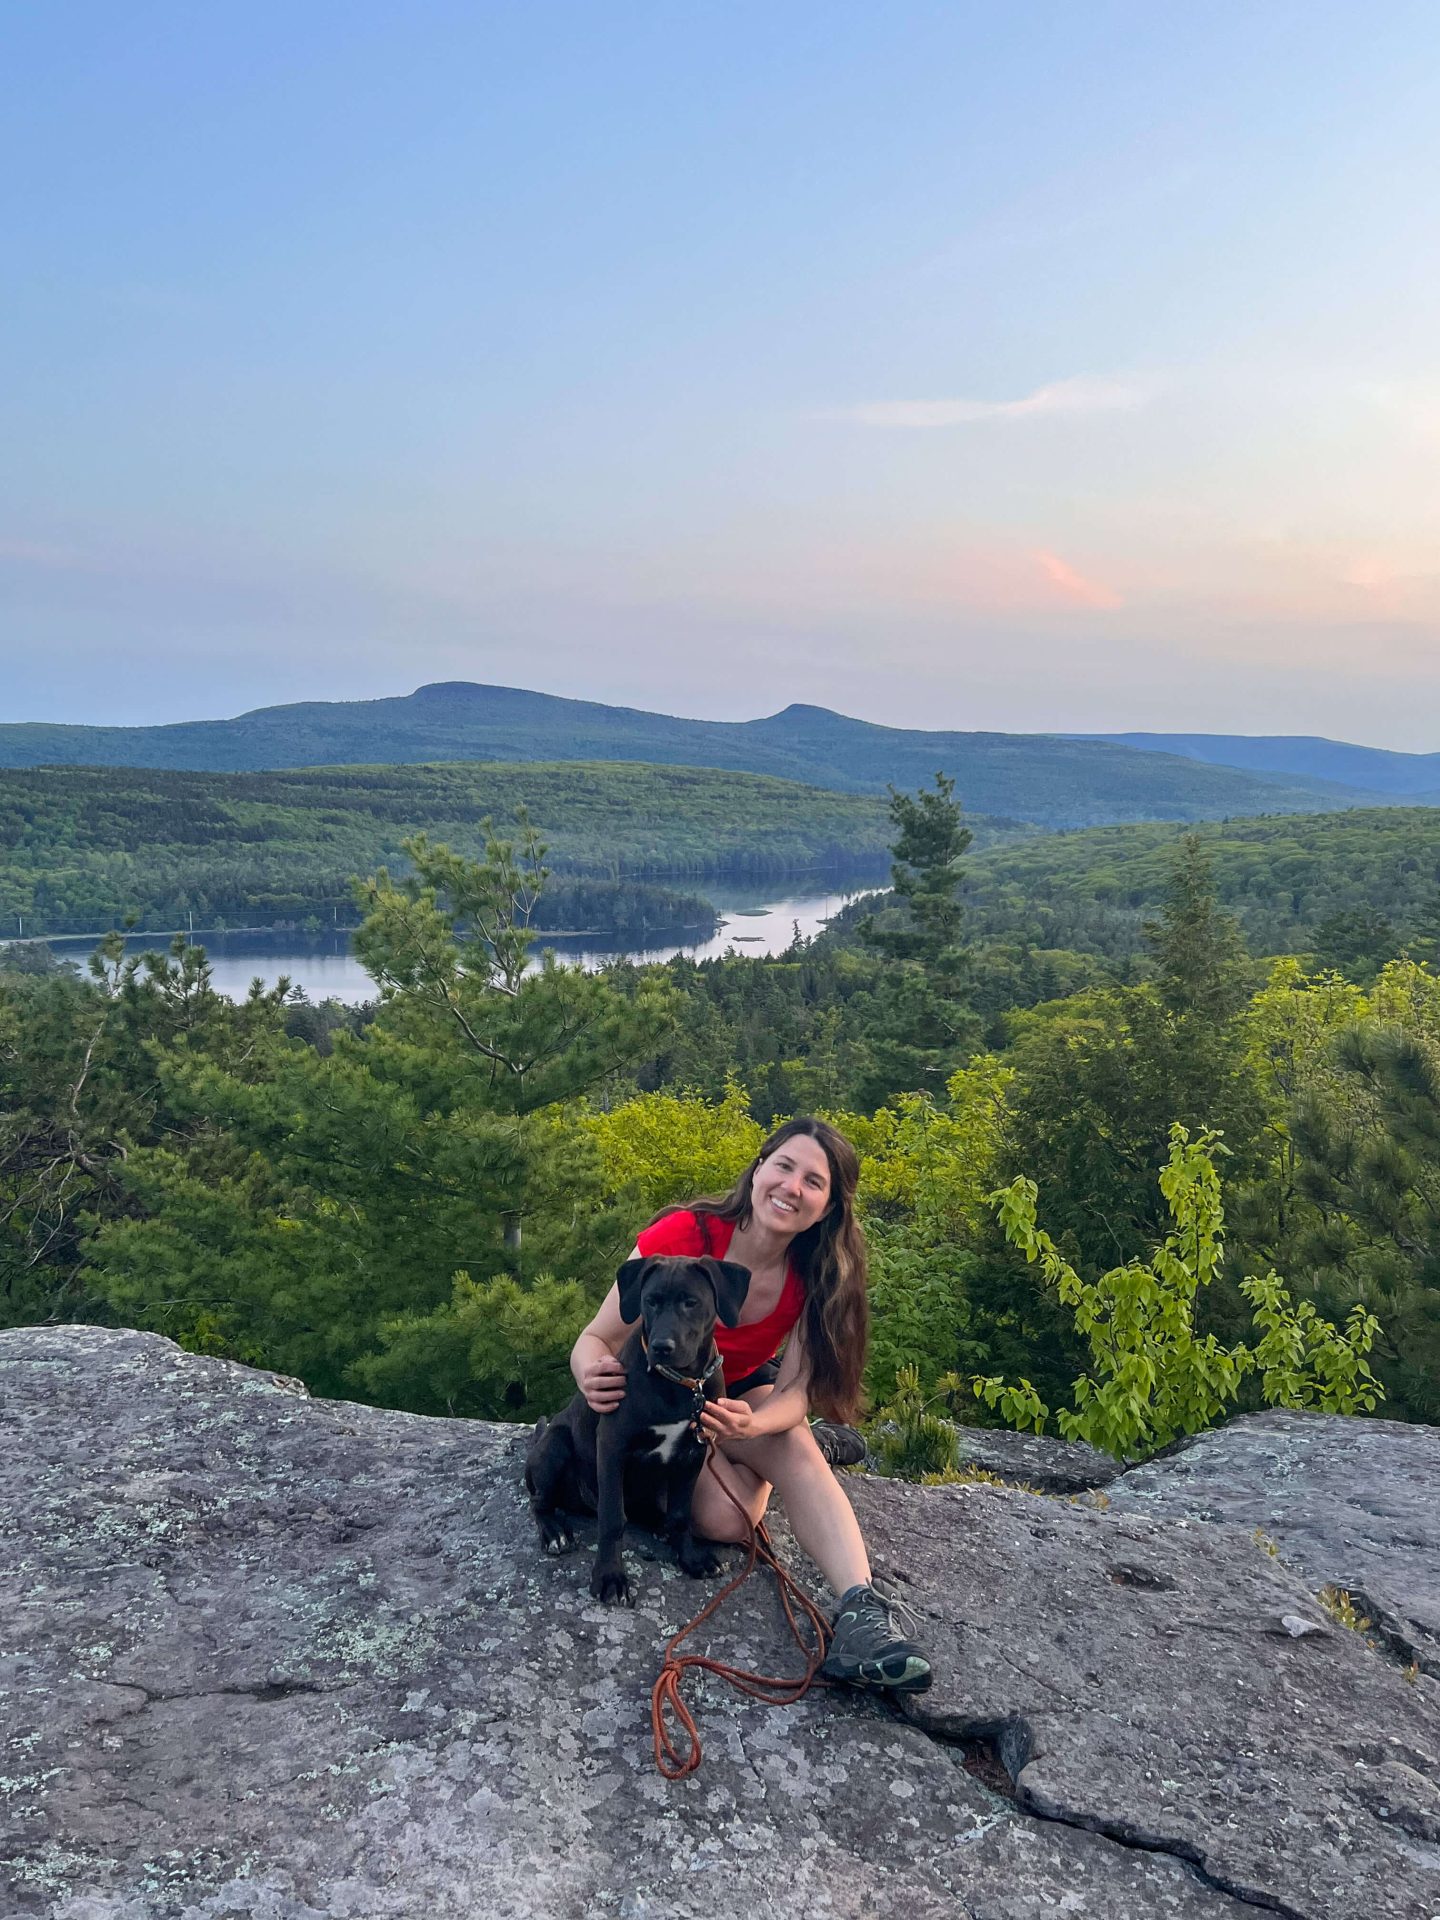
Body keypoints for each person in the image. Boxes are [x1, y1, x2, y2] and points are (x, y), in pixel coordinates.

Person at [570, 1116, 932, 1693]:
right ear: (759, 1167)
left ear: (829, 1206)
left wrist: (755, 1424)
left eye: (814, 1182)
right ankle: (784, 1451)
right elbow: (594, 1338)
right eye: (784, 1166)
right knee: (724, 1522)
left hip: (742, 1393)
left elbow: (795, 1391)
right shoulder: (683, 1237)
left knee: (790, 1442)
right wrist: (591, 1373)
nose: (792, 1187)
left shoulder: (818, 1271)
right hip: (668, 1392)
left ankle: (863, 1614)